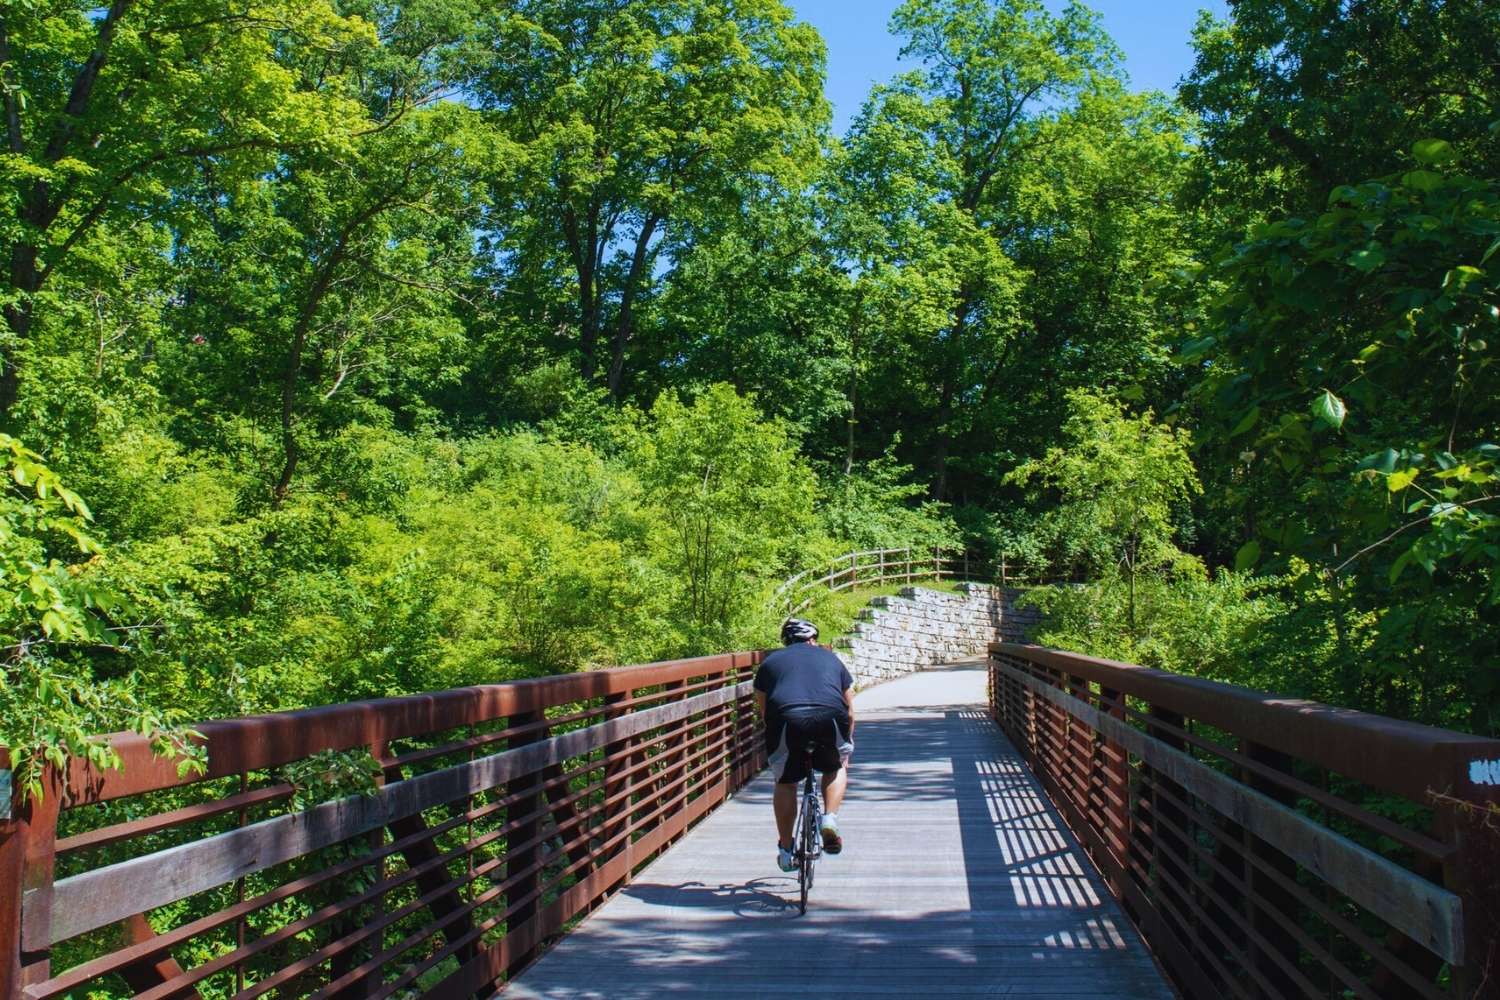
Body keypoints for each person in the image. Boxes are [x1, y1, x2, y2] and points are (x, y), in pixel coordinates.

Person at [754, 617, 855, 873]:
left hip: (788, 720)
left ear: (785, 641)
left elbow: (765, 714)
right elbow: (850, 711)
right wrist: (846, 748)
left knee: (786, 782)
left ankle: (786, 850)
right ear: (813, 639)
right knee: (837, 765)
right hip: (830, 718)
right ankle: (829, 818)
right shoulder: (831, 659)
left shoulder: (770, 663)